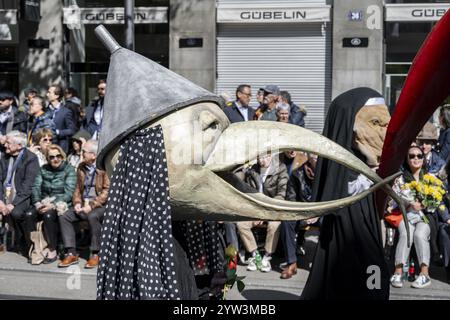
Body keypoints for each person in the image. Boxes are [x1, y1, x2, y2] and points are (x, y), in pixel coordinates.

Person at [301, 88, 392, 300]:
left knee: (373, 272)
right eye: (376, 124)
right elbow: (340, 190)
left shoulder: (364, 156)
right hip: (346, 223)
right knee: (366, 270)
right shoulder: (342, 160)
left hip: (365, 218)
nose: (382, 132)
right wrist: (370, 176)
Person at [389, 145, 436, 289]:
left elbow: (437, 201)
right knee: (405, 233)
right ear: (407, 159)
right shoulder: (400, 179)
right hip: (407, 215)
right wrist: (408, 203)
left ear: (423, 159)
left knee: (420, 234)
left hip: (425, 217)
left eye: (419, 156)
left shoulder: (431, 178)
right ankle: (398, 272)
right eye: (412, 156)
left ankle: (424, 274)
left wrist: (424, 205)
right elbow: (393, 202)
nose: (416, 158)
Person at [58, 140, 109, 268]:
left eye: (84, 152)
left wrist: (91, 205)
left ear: (94, 155)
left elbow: (107, 191)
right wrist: (76, 202)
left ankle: (96, 253)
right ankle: (71, 252)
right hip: (84, 203)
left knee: (93, 216)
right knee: (65, 216)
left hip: (100, 206)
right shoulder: (81, 167)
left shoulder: (103, 168)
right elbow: (77, 189)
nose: (81, 154)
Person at [236, 153, 288, 272]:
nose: (261, 160)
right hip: (256, 211)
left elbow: (281, 195)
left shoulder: (280, 168)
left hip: (273, 210)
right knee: (241, 224)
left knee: (275, 225)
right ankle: (255, 255)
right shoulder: (253, 169)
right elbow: (248, 194)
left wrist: (265, 214)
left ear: (270, 156)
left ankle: (267, 257)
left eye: (264, 157)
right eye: (259, 157)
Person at [31, 144, 77, 263]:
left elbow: (69, 192)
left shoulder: (69, 169)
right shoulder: (43, 169)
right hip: (43, 201)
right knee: (28, 214)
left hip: (61, 202)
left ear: (62, 156)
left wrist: (52, 204)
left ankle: (53, 249)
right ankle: (32, 247)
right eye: (51, 157)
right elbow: (36, 187)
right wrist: (37, 203)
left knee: (49, 215)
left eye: (58, 156)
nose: (55, 159)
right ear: (47, 158)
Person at [0, 131, 39, 255]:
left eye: (9, 143)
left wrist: (13, 204)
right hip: (4, 195)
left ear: (20, 146)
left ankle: (23, 240)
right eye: (6, 142)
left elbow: (28, 185)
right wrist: (1, 201)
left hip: (21, 196)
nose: (5, 145)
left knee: (16, 213)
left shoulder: (30, 158)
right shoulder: (4, 157)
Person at [280, 153, 318, 279]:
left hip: (322, 213)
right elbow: (291, 199)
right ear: (308, 155)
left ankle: (323, 263)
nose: (316, 156)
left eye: (318, 153)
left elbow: (331, 197)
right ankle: (292, 263)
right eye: (313, 153)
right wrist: (304, 214)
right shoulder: (297, 174)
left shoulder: (328, 174)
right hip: (302, 212)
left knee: (334, 221)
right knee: (286, 221)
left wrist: (318, 214)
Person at [46, 84, 77, 153]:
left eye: (49, 92)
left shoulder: (66, 112)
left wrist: (58, 132)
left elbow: (72, 130)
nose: (47, 94)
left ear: (57, 96)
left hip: (60, 147)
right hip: (47, 147)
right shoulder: (46, 111)